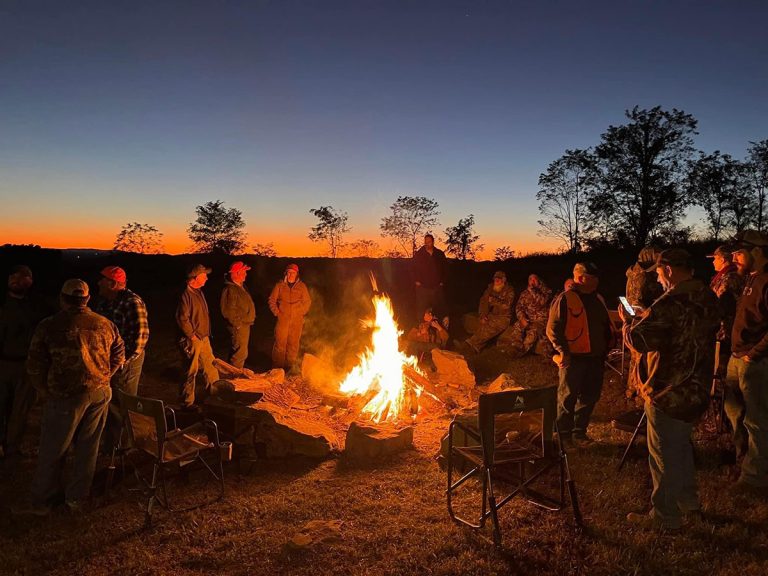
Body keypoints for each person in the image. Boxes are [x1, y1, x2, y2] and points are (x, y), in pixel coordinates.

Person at [622, 249, 720, 531]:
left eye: (659, 272)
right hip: (698, 386)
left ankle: (666, 516)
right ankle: (689, 502)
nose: (658, 277)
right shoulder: (706, 296)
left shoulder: (670, 303)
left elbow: (640, 340)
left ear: (669, 270)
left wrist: (629, 322)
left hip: (669, 390)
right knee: (681, 447)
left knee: (663, 453)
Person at [13, 279, 124, 515]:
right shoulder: (105, 323)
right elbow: (119, 353)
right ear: (87, 299)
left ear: (62, 298)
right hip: (99, 393)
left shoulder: (50, 325)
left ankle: (43, 501)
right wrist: (105, 375)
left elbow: (34, 362)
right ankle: (77, 498)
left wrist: (43, 389)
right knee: (88, 446)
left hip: (64, 394)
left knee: (54, 447)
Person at [547, 262, 612, 447]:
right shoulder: (565, 299)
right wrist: (562, 352)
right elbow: (552, 329)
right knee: (567, 397)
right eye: (594, 277)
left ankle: (579, 433)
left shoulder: (598, 298)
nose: (597, 280)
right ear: (582, 278)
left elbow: (604, 325)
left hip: (596, 358)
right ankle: (563, 436)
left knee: (589, 397)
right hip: (573, 359)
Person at [725, 230, 768, 492]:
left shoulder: (766, 281)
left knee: (757, 419)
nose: (734, 259)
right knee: (735, 410)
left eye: (739, 254)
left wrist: (755, 353)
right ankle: (743, 460)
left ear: (758, 252)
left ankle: (755, 478)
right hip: (737, 356)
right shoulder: (750, 278)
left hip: (755, 361)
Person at [94, 266, 149, 452]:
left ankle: (122, 446)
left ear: (112, 283)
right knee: (109, 401)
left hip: (127, 362)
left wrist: (123, 362)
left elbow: (140, 338)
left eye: (102, 280)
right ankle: (111, 442)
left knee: (122, 401)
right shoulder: (105, 302)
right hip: (107, 361)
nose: (98, 283)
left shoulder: (132, 302)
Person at [0, 265, 49, 458]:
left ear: (29, 281)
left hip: (26, 364)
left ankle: (12, 447)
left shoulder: (38, 307)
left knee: (20, 409)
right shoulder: (2, 304)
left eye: (20, 277)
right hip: (3, 363)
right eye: (12, 276)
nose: (14, 279)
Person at [176, 264, 219, 408]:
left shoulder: (198, 291)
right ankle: (186, 404)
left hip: (203, 337)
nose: (206, 278)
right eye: (204, 275)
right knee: (190, 371)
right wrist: (192, 336)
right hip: (192, 340)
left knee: (211, 368)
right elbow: (182, 318)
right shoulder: (185, 294)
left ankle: (216, 398)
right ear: (195, 277)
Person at [707, 245, 743, 376]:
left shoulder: (730, 278)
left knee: (720, 370)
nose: (712, 261)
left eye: (715, 258)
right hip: (721, 332)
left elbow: (720, 306)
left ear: (722, 259)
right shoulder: (722, 277)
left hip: (725, 333)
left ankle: (721, 392)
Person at [497, 274, 553, 357]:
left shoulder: (546, 291)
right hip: (528, 319)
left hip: (541, 320)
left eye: (534, 279)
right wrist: (522, 317)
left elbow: (542, 302)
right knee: (517, 326)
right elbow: (519, 307)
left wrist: (532, 291)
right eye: (530, 279)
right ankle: (515, 347)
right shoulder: (524, 293)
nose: (532, 281)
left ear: (539, 281)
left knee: (533, 332)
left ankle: (521, 351)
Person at [268, 263, 311, 372]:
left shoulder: (302, 287)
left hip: (297, 321)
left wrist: (301, 312)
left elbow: (307, 302)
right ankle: (277, 370)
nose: (291, 274)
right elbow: (272, 300)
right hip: (283, 320)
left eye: (293, 272)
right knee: (280, 345)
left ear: (297, 274)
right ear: (286, 273)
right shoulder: (279, 285)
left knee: (293, 345)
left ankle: (288, 370)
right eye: (289, 272)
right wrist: (277, 313)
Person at [464, 271, 515, 353]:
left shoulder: (509, 290)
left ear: (504, 280)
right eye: (495, 279)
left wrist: (494, 301)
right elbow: (483, 302)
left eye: (499, 279)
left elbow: (507, 306)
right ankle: (476, 347)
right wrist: (483, 315)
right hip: (493, 314)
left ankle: (469, 343)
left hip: (504, 317)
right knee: (483, 323)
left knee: (491, 327)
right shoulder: (491, 288)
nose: (496, 281)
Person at [220, 261, 256, 369]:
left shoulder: (240, 286)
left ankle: (232, 375)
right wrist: (238, 324)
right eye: (243, 272)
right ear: (235, 274)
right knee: (240, 354)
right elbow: (227, 310)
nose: (246, 274)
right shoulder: (230, 289)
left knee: (239, 351)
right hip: (239, 326)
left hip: (244, 324)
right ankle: (235, 379)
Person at [412, 234, 447, 320]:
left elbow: (445, 268)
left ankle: (437, 329)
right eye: (425, 242)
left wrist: (442, 281)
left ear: (433, 242)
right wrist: (416, 280)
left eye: (429, 242)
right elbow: (412, 268)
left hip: (436, 287)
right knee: (421, 309)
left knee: (437, 308)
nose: (427, 244)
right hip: (422, 287)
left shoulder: (439, 254)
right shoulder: (419, 254)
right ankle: (421, 328)